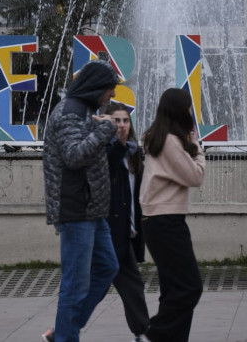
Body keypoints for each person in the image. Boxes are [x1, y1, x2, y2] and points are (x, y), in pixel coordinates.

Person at [42, 59, 120, 342]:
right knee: (75, 285)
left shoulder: (84, 111)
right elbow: (74, 155)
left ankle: (63, 329)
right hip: (75, 209)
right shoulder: (69, 113)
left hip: (91, 210)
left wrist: (104, 133)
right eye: (109, 90)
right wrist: (104, 130)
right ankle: (65, 335)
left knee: (108, 267)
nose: (111, 96)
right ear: (96, 87)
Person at [139, 88, 206, 342]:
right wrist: (197, 148)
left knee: (174, 289)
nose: (191, 112)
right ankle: (152, 335)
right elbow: (195, 176)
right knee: (190, 287)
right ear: (180, 110)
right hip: (165, 221)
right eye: (189, 107)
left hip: (160, 221)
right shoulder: (170, 141)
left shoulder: (159, 137)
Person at [105, 103, 150, 342]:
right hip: (108, 234)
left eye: (125, 121)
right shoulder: (103, 150)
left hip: (126, 233)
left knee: (133, 287)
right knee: (93, 290)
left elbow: (136, 196)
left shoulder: (135, 153)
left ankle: (142, 333)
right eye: (116, 120)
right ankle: (60, 329)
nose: (122, 125)